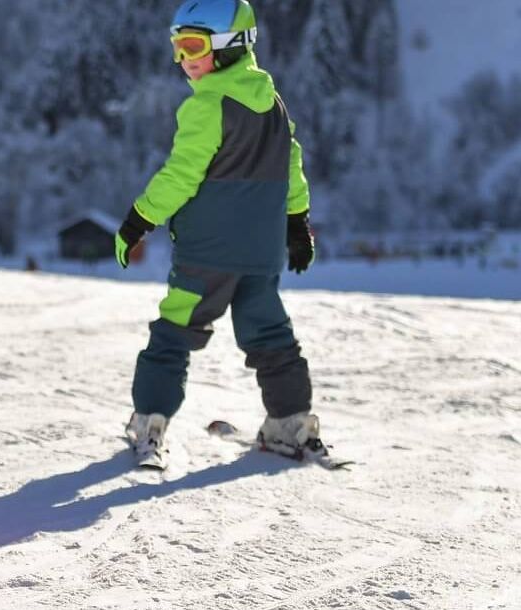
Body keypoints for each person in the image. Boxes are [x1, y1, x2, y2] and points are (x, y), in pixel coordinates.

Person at [114, 0, 328, 466]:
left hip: (205, 255)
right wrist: (296, 226)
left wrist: (138, 221)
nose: (183, 59)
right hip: (261, 255)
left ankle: (150, 422)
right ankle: (291, 423)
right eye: (177, 47)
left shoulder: (207, 105)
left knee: (174, 333)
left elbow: (180, 175)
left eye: (193, 46)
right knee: (270, 335)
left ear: (232, 46)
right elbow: (291, 167)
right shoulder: (272, 104)